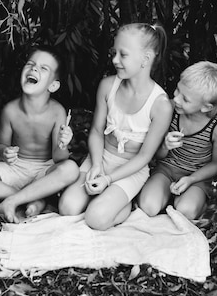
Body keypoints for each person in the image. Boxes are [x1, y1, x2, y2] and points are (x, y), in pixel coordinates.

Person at [58, 23, 173, 230]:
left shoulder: (160, 104)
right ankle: (109, 198)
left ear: (145, 59)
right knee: (68, 208)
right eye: (114, 53)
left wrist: (109, 179)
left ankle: (123, 202)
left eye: (123, 55)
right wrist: (96, 166)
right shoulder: (108, 86)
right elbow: (96, 131)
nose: (114, 60)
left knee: (96, 219)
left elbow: (145, 157)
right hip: (100, 158)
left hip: (129, 169)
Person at [0, 45, 79, 222]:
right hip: (16, 168)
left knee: (71, 169)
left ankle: (13, 201)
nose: (34, 68)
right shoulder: (10, 110)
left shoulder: (57, 112)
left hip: (44, 170)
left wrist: (62, 144)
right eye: (31, 64)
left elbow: (59, 159)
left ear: (53, 85)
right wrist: (5, 152)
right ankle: (31, 198)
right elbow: (1, 145)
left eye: (43, 68)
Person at [137, 61, 217, 220]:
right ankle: (165, 198)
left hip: (197, 177)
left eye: (185, 99)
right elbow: (157, 155)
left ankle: (193, 200)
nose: (176, 99)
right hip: (166, 170)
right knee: (148, 206)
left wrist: (191, 179)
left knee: (185, 211)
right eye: (177, 90)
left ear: (206, 107)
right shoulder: (170, 110)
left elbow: (216, 165)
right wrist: (165, 146)